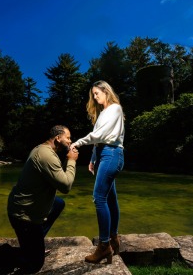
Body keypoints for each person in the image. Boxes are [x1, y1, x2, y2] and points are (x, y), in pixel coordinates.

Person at [0, 125, 78, 274]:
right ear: (58, 138)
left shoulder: (44, 150)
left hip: (26, 208)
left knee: (58, 203)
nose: (70, 141)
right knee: (34, 264)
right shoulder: (45, 155)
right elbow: (66, 186)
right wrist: (72, 161)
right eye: (68, 137)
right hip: (23, 215)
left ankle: (34, 244)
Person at [70, 80, 125, 264]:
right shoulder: (103, 113)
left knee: (98, 197)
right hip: (104, 154)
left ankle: (104, 246)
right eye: (92, 94)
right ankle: (114, 238)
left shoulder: (115, 109)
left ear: (106, 91)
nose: (94, 97)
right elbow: (99, 138)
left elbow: (101, 136)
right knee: (110, 198)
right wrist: (93, 158)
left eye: (96, 93)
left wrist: (78, 142)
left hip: (112, 154)